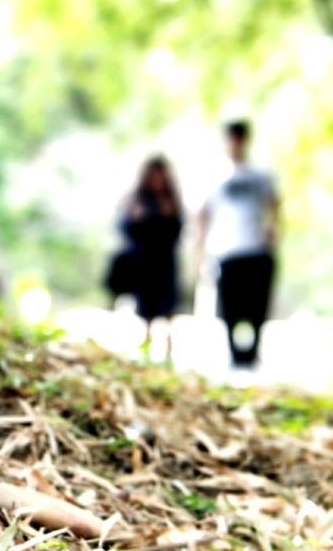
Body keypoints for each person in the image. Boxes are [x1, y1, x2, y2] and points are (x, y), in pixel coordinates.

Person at [194, 119, 280, 369]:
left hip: (256, 249)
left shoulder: (261, 175)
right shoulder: (213, 175)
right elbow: (202, 214)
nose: (235, 143)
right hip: (226, 249)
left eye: (239, 137)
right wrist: (199, 251)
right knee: (229, 305)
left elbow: (275, 204)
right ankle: (234, 355)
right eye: (231, 138)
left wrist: (274, 230)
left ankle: (253, 353)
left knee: (257, 305)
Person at [115, 155, 183, 359]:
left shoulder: (171, 200)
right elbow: (125, 230)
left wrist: (168, 215)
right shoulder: (136, 200)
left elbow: (177, 231)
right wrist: (136, 217)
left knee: (168, 306)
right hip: (144, 264)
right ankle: (146, 345)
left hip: (165, 263)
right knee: (146, 307)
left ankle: (169, 349)